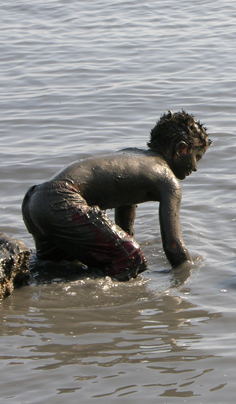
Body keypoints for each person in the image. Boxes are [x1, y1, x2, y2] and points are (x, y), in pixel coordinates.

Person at [22, 110, 211, 279]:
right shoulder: (167, 179)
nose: (195, 167)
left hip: (36, 201)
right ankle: (94, 298)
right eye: (197, 157)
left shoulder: (131, 156)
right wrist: (187, 277)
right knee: (131, 260)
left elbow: (124, 222)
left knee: (59, 267)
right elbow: (173, 246)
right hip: (62, 200)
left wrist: (125, 241)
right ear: (181, 149)